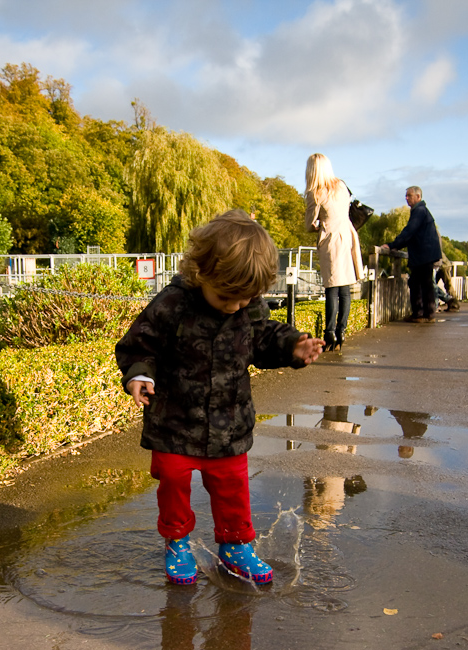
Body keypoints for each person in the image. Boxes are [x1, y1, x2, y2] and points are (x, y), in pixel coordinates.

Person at [115, 209, 323, 586]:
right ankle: (176, 541)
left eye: (246, 299)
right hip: (174, 421)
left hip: (229, 422)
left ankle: (234, 545)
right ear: (202, 272)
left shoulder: (247, 304)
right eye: (227, 296)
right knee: (174, 483)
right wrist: (140, 374)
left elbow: (262, 338)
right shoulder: (173, 303)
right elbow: (138, 344)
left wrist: (293, 346)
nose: (236, 306)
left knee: (232, 488)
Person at [304, 153, 364, 351]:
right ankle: (342, 331)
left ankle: (329, 332)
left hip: (331, 239)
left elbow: (308, 225)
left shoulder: (316, 192)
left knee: (331, 287)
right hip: (347, 235)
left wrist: (318, 225)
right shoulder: (341, 186)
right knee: (345, 287)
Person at [380, 186, 442, 322]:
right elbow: (412, 234)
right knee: (423, 283)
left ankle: (420, 314)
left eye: (409, 195)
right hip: (426, 253)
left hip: (423, 254)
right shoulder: (422, 211)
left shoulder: (419, 211)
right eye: (406, 196)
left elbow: (409, 231)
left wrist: (392, 245)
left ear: (418, 197)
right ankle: (427, 314)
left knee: (418, 283)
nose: (406, 198)